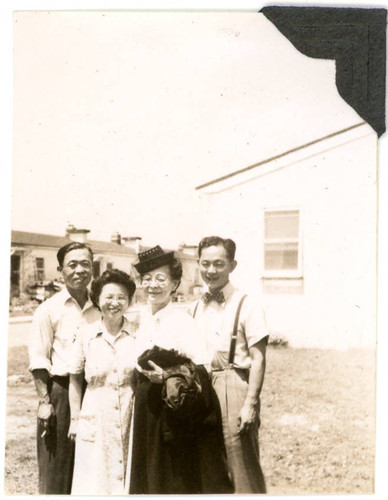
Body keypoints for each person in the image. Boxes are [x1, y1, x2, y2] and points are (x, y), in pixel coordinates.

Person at [129, 245, 233, 494]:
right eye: (147, 279)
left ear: (174, 284)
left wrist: (165, 377)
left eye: (161, 279)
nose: (152, 285)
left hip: (172, 411)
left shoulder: (181, 321)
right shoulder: (140, 319)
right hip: (146, 407)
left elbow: (201, 370)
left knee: (170, 476)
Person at [189, 236, 268, 493]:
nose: (211, 270)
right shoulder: (193, 309)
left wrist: (250, 404)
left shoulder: (247, 304)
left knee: (242, 465)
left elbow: (258, 358)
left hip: (233, 386)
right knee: (208, 466)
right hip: (201, 389)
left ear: (232, 265)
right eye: (205, 263)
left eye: (219, 264)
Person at [28, 242, 100, 494]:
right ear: (60, 271)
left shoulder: (102, 306)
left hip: (94, 392)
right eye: (73, 264)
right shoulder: (48, 309)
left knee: (92, 466)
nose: (80, 270)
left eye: (86, 264)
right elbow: (38, 360)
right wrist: (45, 401)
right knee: (56, 467)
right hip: (60, 392)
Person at [67, 269, 137, 495]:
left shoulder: (138, 333)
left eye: (121, 297)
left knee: (127, 479)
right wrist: (75, 419)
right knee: (95, 482)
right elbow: (75, 380)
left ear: (129, 301)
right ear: (97, 299)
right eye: (109, 297)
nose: (114, 303)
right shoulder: (86, 335)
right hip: (95, 417)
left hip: (130, 415)